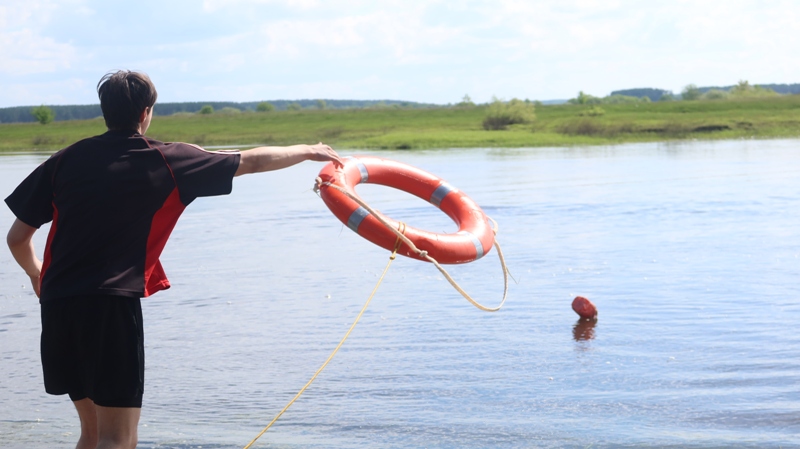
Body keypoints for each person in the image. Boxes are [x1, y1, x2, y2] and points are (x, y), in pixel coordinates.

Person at [5, 70, 342, 449]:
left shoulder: (64, 160)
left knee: (93, 433)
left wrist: (38, 277)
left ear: (104, 111)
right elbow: (251, 161)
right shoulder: (167, 160)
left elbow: (17, 238)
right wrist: (310, 151)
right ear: (146, 112)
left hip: (58, 307)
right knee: (118, 438)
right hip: (110, 308)